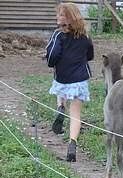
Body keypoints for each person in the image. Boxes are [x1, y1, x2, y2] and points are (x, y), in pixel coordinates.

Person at [45, 3, 94, 162]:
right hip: (79, 80)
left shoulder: (58, 35)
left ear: (68, 18)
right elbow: (90, 55)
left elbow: (52, 57)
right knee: (76, 115)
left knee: (60, 91)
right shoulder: (85, 35)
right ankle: (72, 144)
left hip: (62, 77)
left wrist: (54, 61)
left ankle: (60, 106)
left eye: (60, 14)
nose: (57, 17)